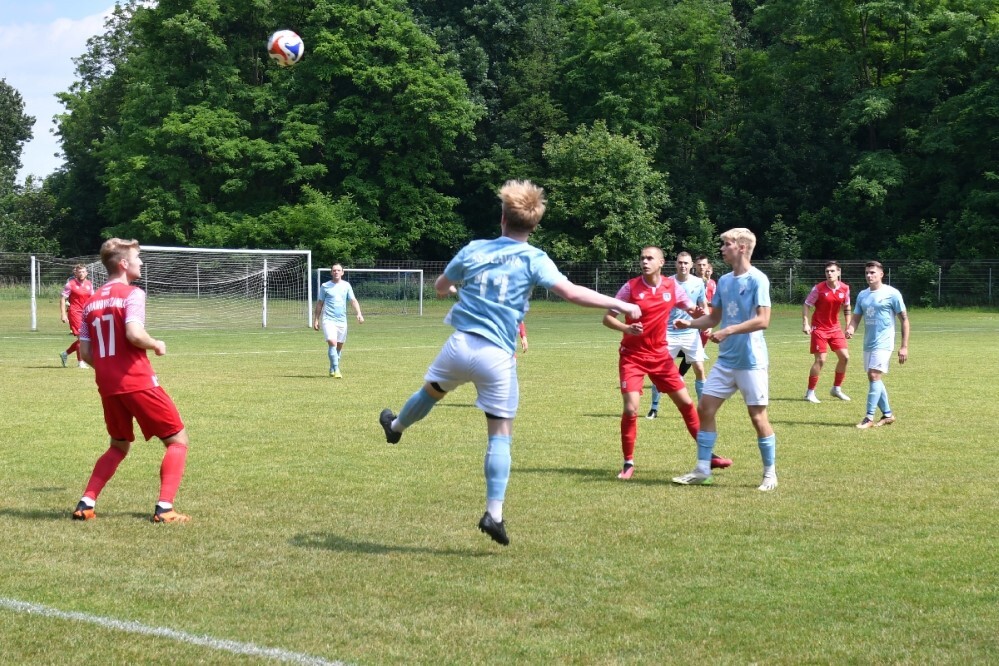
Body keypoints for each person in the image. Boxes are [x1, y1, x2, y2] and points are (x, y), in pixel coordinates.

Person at [378, 180, 641, 546]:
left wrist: (455, 287)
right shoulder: (535, 258)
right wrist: (623, 304)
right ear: (533, 226)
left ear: (502, 217)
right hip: (498, 357)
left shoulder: (474, 249)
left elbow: (440, 287)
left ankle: (398, 426)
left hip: (461, 344)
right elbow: (570, 292)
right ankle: (494, 513)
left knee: (431, 391)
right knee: (500, 434)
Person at [72, 239, 191, 523]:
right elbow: (134, 334)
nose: (141, 263)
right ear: (123, 263)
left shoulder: (91, 302)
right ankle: (165, 508)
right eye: (138, 258)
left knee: (118, 445)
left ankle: (86, 503)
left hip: (108, 386)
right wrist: (156, 343)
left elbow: (85, 352)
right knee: (177, 440)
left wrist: (108, 367)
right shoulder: (132, 294)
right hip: (137, 381)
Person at [604, 247, 731, 481]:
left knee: (686, 404)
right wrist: (626, 328)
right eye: (642, 258)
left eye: (650, 258)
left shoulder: (672, 287)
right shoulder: (630, 287)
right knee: (631, 409)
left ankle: (708, 456)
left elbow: (692, 310)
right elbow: (608, 317)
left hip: (660, 356)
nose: (645, 261)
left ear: (661, 262)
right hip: (632, 356)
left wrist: (700, 316)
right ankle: (628, 463)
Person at [672, 228, 778, 492]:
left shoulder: (758, 280)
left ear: (741, 247)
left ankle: (769, 474)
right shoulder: (725, 282)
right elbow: (713, 318)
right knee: (705, 409)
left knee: (757, 417)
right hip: (726, 362)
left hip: (751, 361)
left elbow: (763, 320)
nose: (722, 249)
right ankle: (702, 469)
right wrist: (690, 323)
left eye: (726, 244)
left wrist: (729, 331)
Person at [845, 261, 909, 429]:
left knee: (874, 375)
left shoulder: (892, 294)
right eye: (867, 273)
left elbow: (904, 320)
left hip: (885, 342)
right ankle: (887, 414)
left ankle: (869, 417)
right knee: (874, 378)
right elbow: (857, 317)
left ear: (881, 274)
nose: (869, 275)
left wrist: (904, 346)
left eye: (873, 272)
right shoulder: (862, 295)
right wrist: (851, 328)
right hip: (868, 343)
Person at [648, 252, 711, 420]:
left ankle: (702, 409)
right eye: (680, 263)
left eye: (686, 263)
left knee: (699, 368)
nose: (683, 266)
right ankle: (654, 408)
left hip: (691, 331)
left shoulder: (698, 282)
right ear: (676, 264)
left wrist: (707, 321)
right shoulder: (667, 282)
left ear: (691, 266)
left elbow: (703, 304)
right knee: (659, 371)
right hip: (669, 332)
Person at [802, 261, 852, 403]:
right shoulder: (818, 289)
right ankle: (810, 393)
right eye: (827, 271)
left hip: (835, 328)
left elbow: (847, 306)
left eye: (832, 271)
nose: (829, 273)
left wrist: (848, 325)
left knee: (845, 357)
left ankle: (836, 389)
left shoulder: (845, 288)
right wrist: (805, 323)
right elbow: (806, 305)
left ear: (839, 272)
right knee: (821, 360)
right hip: (819, 328)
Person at [313, 264, 364, 378]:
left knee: (339, 346)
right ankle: (336, 369)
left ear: (342, 272)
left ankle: (332, 367)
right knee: (332, 342)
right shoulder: (325, 286)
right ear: (331, 272)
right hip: (328, 319)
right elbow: (320, 303)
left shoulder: (346, 285)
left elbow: (353, 300)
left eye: (338, 270)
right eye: (334, 270)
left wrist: (359, 313)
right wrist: (316, 319)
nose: (336, 272)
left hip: (341, 320)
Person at [59, 264, 94, 368]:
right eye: (79, 272)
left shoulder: (89, 284)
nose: (81, 274)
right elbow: (62, 299)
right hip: (75, 313)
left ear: (86, 273)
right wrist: (63, 314)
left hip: (87, 313)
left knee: (86, 338)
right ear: (75, 273)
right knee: (82, 338)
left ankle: (65, 354)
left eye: (83, 272)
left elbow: (92, 298)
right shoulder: (70, 284)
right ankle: (81, 362)